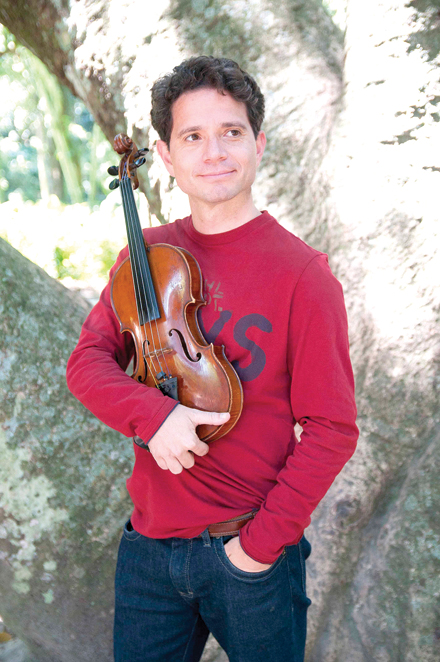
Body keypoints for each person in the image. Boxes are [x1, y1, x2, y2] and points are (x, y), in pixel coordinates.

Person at [66, 56, 358, 662]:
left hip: (250, 553)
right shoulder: (147, 255)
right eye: (192, 137)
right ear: (166, 157)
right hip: (147, 552)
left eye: (231, 132)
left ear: (259, 143)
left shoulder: (303, 275)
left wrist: (258, 549)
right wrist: (154, 415)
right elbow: (88, 362)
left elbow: (332, 429)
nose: (214, 151)